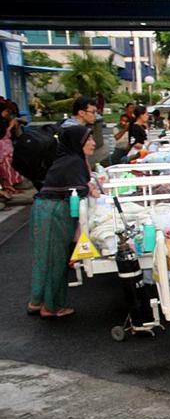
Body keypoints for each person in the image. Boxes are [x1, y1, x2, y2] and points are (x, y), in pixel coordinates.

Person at [28, 126, 97, 318]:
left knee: (43, 257)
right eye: (88, 139)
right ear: (77, 142)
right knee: (56, 260)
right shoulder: (74, 162)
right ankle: (52, 307)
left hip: (44, 209)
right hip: (55, 212)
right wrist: (89, 189)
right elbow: (77, 190)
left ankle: (36, 300)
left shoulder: (66, 159)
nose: (93, 143)